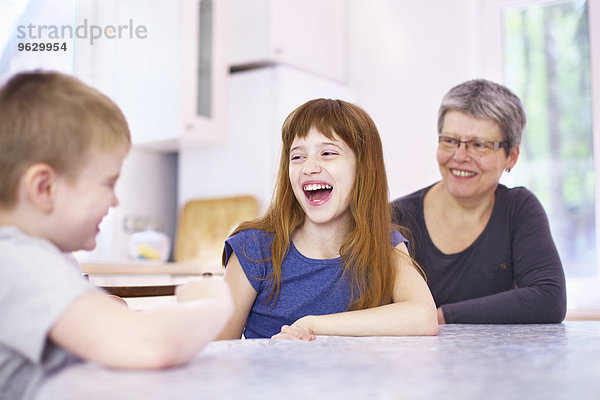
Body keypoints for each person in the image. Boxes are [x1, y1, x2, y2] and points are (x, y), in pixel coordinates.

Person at [0, 71, 233, 400]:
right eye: (108, 183)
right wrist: (215, 302)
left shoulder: (41, 257)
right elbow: (148, 345)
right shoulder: (20, 261)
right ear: (44, 188)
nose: (116, 200)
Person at [218, 98, 438, 340]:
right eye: (297, 157)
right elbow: (216, 355)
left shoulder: (383, 245)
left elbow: (423, 317)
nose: (309, 167)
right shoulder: (253, 248)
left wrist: (313, 325)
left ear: (363, 167)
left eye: (328, 153)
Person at [391, 79, 567, 325]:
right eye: (450, 141)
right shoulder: (396, 217)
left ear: (511, 156)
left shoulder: (518, 209)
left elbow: (548, 299)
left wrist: (440, 317)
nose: (460, 156)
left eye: (479, 145)